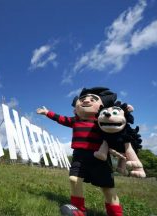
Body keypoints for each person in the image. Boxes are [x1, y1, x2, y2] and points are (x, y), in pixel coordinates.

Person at [36, 87, 123, 216]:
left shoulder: (102, 123)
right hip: (79, 156)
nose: (86, 101)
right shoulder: (75, 121)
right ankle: (78, 210)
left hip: (100, 158)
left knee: (107, 187)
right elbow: (61, 119)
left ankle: (116, 213)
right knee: (74, 179)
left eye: (92, 99)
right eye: (83, 99)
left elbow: (116, 135)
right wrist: (47, 112)